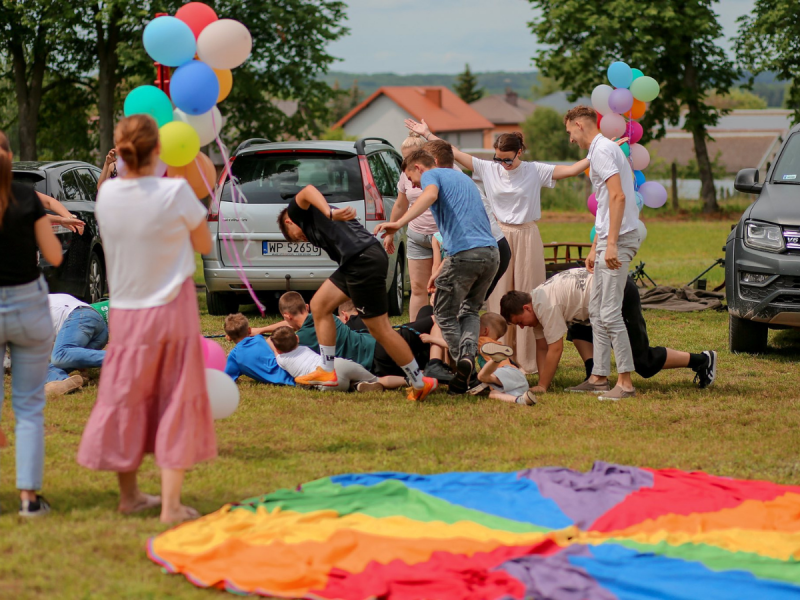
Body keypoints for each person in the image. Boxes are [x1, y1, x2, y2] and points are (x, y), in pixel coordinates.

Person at [77, 114, 216, 523]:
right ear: (158, 151)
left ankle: (130, 495)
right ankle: (171, 505)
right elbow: (203, 242)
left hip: (125, 312)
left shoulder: (107, 196)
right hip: (172, 309)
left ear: (119, 152)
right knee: (177, 396)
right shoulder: (175, 192)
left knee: (125, 396)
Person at [404, 119, 592, 374]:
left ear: (519, 153)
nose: (503, 164)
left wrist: (600, 149)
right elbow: (452, 153)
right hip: (498, 236)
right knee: (497, 299)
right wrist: (427, 134)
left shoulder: (535, 170)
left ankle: (528, 362)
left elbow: (572, 170)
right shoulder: (488, 169)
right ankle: (498, 359)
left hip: (527, 234)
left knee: (530, 295)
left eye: (508, 159)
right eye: (498, 158)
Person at [277, 188, 437, 401]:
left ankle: (419, 381)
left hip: (361, 261)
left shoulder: (299, 213)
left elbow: (307, 191)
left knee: (381, 331)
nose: (302, 240)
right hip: (359, 260)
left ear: (289, 223)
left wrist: (329, 212)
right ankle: (328, 369)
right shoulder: (315, 220)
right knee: (319, 305)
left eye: (295, 238)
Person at [375, 147, 499, 395]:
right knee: (471, 310)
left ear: (418, 167)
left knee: (443, 314)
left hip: (465, 254)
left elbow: (430, 194)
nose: (414, 185)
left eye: (412, 179)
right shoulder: (462, 177)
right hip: (490, 254)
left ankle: (468, 370)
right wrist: (439, 270)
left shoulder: (433, 175)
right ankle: (467, 365)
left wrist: (399, 223)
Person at [499, 268, 717, 395]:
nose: (522, 327)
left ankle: (702, 360)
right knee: (577, 329)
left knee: (642, 361)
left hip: (619, 292)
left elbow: (555, 349)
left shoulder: (546, 305)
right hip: (596, 302)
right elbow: (542, 347)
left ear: (527, 308)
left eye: (520, 322)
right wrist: (541, 382)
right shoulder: (535, 303)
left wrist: (543, 386)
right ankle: (595, 376)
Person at [0, 129, 65, 517]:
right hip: (27, 306)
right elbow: (55, 256)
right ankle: (29, 500)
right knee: (27, 408)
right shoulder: (26, 197)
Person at [564, 106, 641, 400]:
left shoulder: (602, 150)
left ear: (580, 125)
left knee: (609, 312)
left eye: (570, 131)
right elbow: (605, 204)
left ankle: (625, 383)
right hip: (608, 238)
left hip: (618, 239)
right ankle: (598, 377)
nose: (570, 138)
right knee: (596, 310)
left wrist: (609, 245)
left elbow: (619, 195)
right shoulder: (601, 149)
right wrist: (596, 245)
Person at [264, 292, 440, 383]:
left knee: (427, 318)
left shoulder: (300, 340)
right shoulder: (326, 316)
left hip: (374, 367)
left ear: (286, 316)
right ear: (307, 306)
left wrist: (260, 331)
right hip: (378, 345)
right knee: (433, 319)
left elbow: (282, 336)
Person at [384, 133, 439, 320]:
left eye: (411, 156)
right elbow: (400, 204)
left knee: (439, 288)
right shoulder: (405, 175)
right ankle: (415, 333)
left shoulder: (436, 173)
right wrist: (391, 231)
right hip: (417, 236)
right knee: (417, 288)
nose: (407, 162)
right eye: (404, 157)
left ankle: (439, 334)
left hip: (440, 237)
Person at [268, 326, 404, 393]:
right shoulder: (305, 347)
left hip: (326, 380)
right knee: (378, 379)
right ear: (297, 339)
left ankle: (356, 386)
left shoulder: (281, 359)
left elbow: (273, 347)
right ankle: (412, 380)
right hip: (338, 363)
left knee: (342, 385)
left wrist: (270, 341)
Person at [45, 293, 108, 397]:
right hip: (97, 328)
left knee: (59, 355)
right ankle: (63, 382)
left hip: (80, 316)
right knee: (49, 367)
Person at [472, 313, 536, 406]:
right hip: (519, 377)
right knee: (493, 394)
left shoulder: (482, 340)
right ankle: (520, 400)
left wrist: (443, 341)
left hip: (503, 370)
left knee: (482, 376)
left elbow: (460, 346)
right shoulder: (498, 344)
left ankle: (496, 360)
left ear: (485, 331)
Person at [223, 313, 295, 386]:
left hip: (281, 381)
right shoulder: (259, 338)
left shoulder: (234, 356)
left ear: (229, 337)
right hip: (289, 372)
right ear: (249, 330)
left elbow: (227, 378)